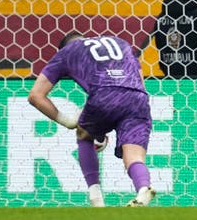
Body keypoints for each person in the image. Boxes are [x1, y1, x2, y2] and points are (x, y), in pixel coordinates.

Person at [27, 32, 156, 207]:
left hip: (104, 93)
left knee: (83, 135)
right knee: (134, 156)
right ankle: (143, 189)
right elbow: (139, 81)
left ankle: (97, 200)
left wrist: (70, 122)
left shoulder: (68, 51)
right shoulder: (121, 43)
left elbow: (35, 96)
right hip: (138, 98)